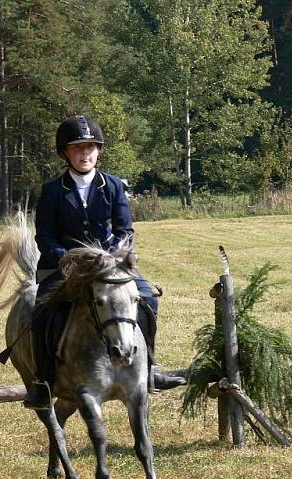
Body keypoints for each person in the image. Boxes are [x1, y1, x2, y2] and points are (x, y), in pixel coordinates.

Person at [24, 115, 185, 411]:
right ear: (65, 154)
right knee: (40, 311)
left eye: (89, 148)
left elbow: (125, 230)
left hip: (110, 264)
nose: (84, 154)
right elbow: (45, 236)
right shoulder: (52, 191)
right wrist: (65, 260)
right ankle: (43, 381)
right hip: (65, 267)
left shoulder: (112, 185)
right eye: (77, 149)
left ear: (98, 151)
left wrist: (111, 258)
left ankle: (149, 366)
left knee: (148, 298)